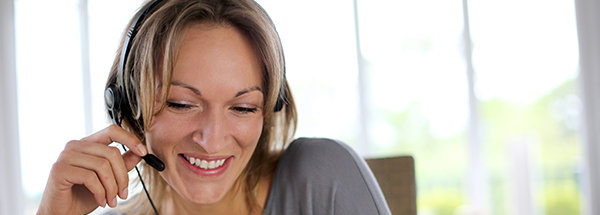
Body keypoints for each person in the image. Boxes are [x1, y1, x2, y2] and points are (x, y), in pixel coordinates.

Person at [36, 0, 392, 214]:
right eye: (182, 104)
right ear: (128, 104)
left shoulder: (320, 179)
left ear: (269, 109)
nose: (212, 139)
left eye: (243, 108)